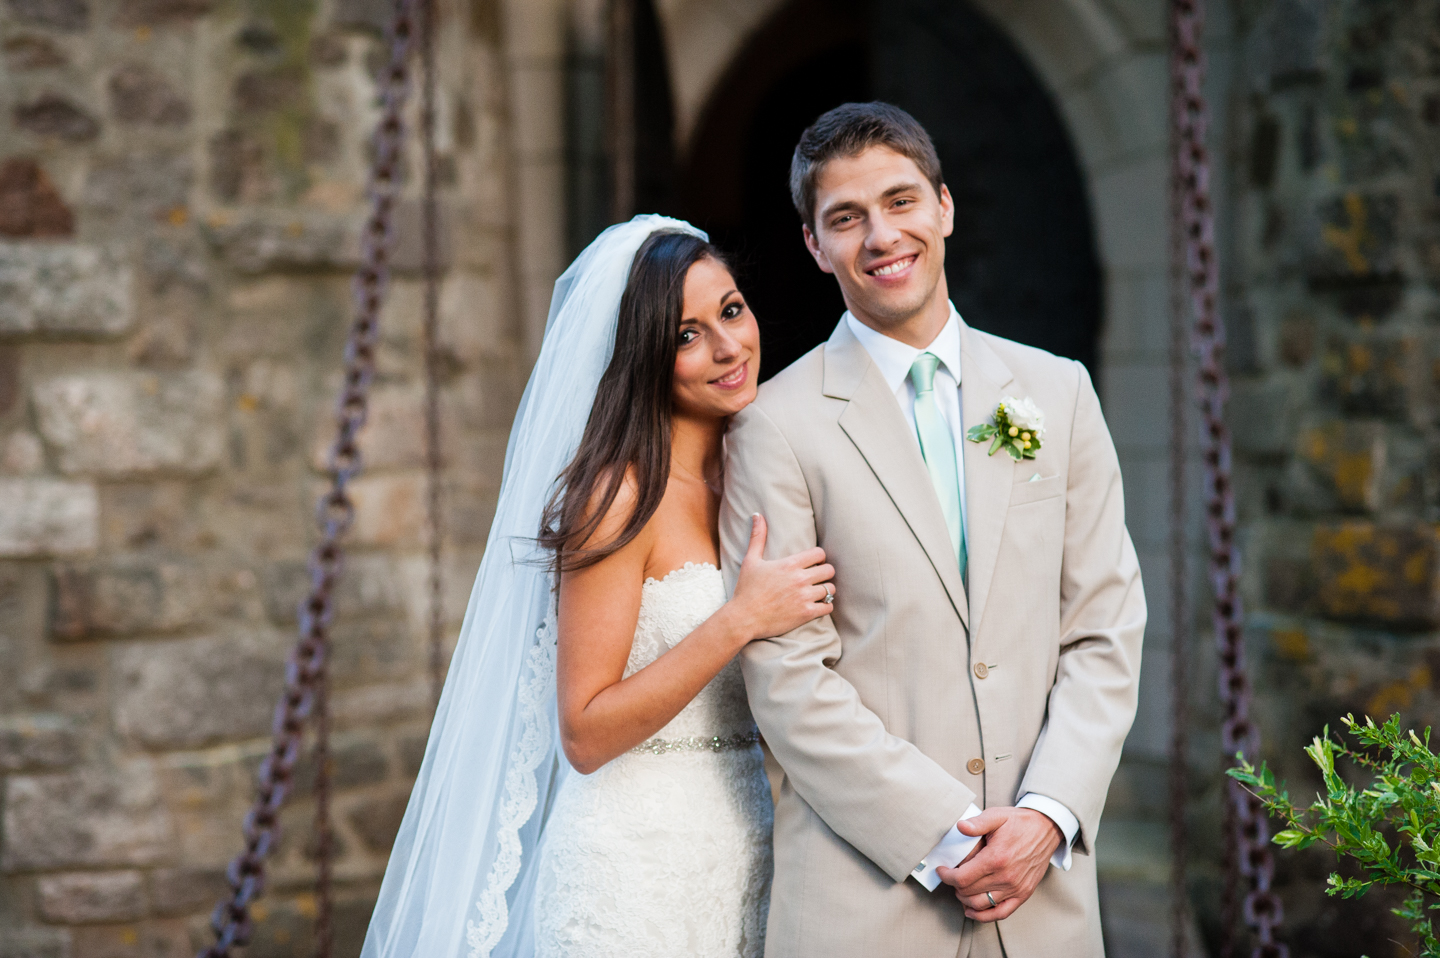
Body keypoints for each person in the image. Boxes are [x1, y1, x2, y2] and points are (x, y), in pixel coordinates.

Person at [719, 102, 1146, 958]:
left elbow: (1104, 629)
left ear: (944, 208)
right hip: (865, 902)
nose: (882, 235)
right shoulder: (774, 425)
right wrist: (948, 835)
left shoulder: (1055, 393)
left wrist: (1045, 817)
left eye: (901, 201)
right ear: (815, 245)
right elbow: (787, 678)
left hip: (1045, 903)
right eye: (847, 218)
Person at [359, 217, 832, 958]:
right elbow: (583, 731)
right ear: (644, 356)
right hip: (629, 868)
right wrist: (737, 621)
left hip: (748, 844)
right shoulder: (617, 496)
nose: (728, 347)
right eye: (686, 336)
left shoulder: (760, 473)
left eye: (731, 310)